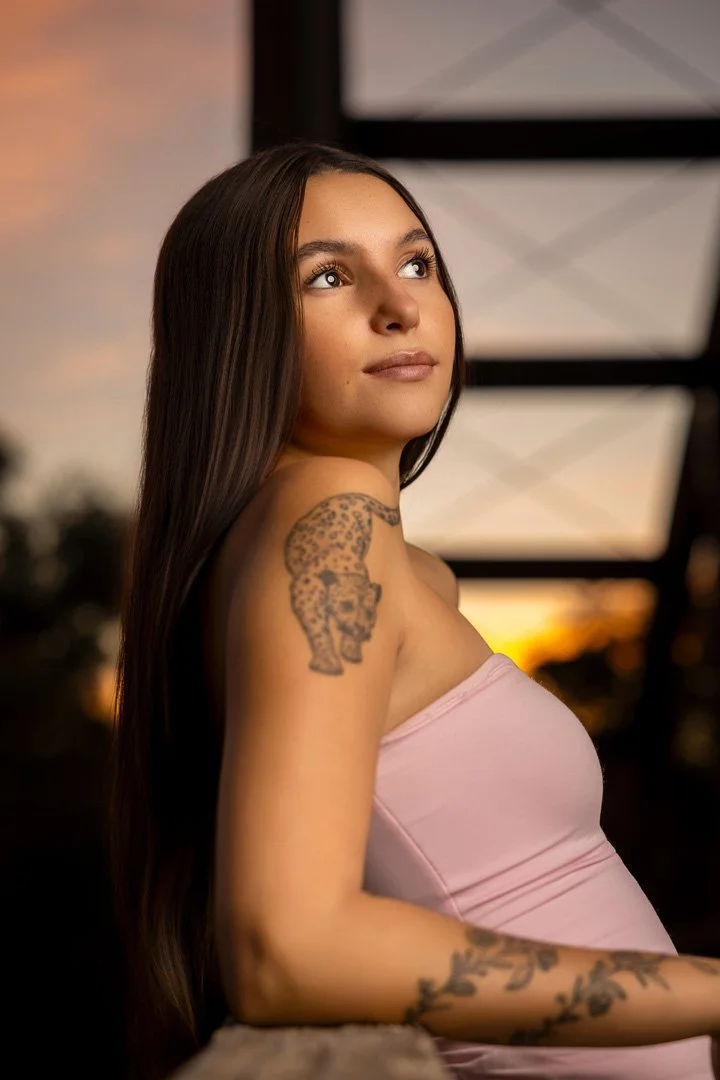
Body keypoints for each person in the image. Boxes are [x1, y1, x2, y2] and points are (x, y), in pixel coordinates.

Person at [111, 140, 720, 1080]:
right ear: (238, 331)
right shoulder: (327, 526)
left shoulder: (388, 568)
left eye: (416, 261)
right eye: (326, 278)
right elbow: (290, 949)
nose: (398, 306)